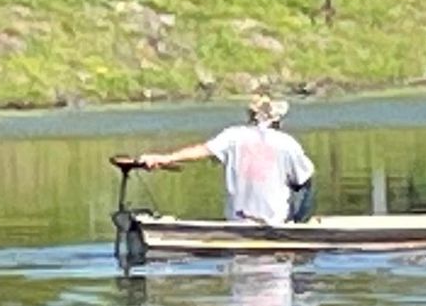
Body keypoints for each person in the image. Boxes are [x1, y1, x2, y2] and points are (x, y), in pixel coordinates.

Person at [135, 94, 316, 223]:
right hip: (274, 222)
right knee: (305, 183)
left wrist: (164, 158)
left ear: (250, 116)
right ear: (276, 119)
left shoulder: (232, 136)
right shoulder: (287, 143)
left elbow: (200, 151)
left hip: (238, 221)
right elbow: (305, 177)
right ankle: (298, 226)